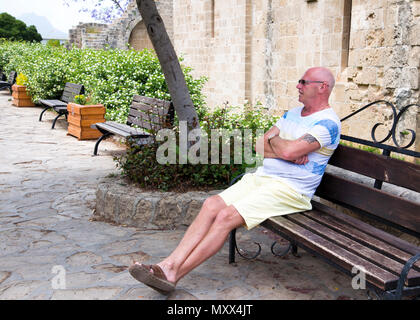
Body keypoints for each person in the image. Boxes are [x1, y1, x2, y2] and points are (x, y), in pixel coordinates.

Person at [129, 66, 341, 294]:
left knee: (225, 216)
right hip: (264, 178)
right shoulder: (292, 113)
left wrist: (276, 142)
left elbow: (284, 150)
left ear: (322, 87)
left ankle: (174, 275)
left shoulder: (328, 124)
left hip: (291, 189)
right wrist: (282, 146)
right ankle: (168, 264)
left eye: (303, 82)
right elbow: (260, 145)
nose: (298, 86)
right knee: (211, 205)